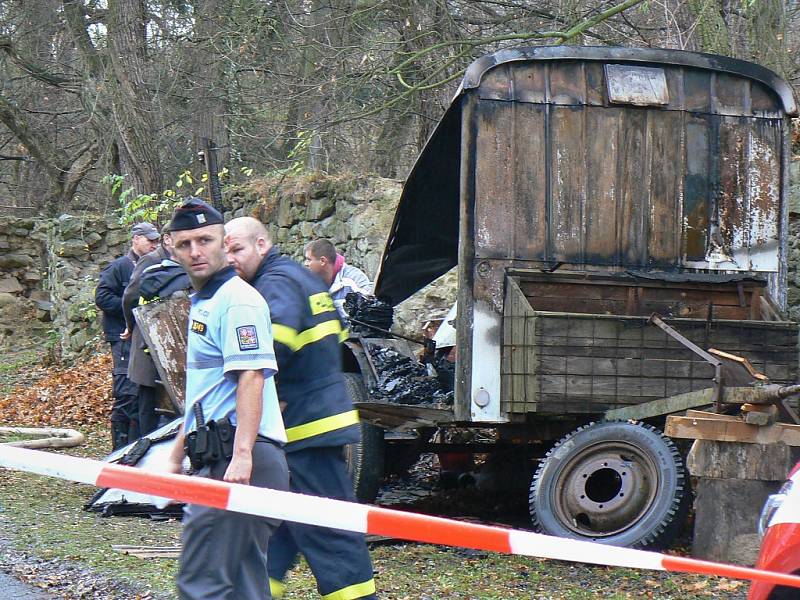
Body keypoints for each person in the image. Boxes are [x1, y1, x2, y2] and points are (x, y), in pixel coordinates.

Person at [225, 218, 377, 600]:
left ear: (262, 244)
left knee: (330, 531)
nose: (229, 259)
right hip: (312, 420)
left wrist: (246, 386)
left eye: (237, 249)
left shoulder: (274, 285)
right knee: (278, 525)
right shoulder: (302, 278)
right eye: (225, 251)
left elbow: (270, 347)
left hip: (302, 426)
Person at [165, 199, 289, 600]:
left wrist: (242, 456)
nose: (195, 251)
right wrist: (176, 452)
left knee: (202, 584)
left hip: (238, 459)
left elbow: (251, 377)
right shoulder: (206, 300)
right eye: (185, 244)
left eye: (205, 240)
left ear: (225, 242)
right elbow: (207, 396)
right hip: (221, 454)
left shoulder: (237, 300)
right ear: (171, 247)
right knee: (242, 586)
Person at [121, 223, 191, 436]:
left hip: (174, 351)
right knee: (148, 410)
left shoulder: (188, 262)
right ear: (168, 239)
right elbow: (130, 296)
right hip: (150, 345)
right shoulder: (151, 261)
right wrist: (131, 325)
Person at [95, 222, 160, 449]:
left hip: (145, 339)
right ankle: (119, 452)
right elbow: (102, 298)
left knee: (143, 394)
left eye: (156, 240)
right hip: (122, 338)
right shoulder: (120, 267)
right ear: (135, 239)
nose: (154, 244)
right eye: (149, 240)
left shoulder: (155, 265)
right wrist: (130, 312)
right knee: (125, 394)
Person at [303, 239, 372, 319]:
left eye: (309, 260)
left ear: (322, 261)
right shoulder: (307, 283)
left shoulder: (354, 279)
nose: (305, 264)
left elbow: (372, 310)